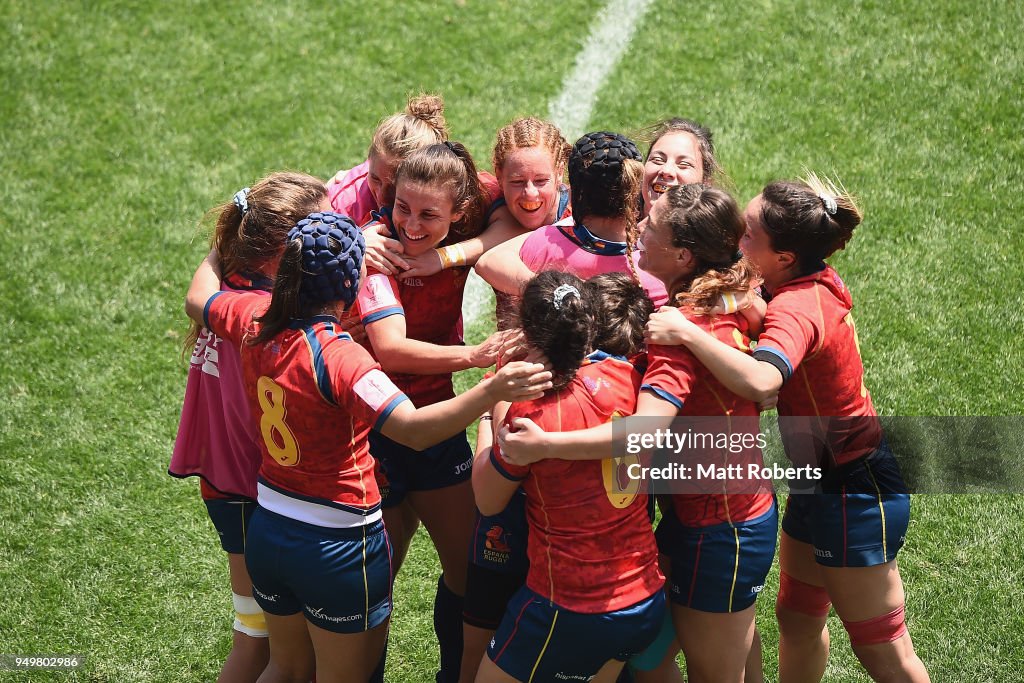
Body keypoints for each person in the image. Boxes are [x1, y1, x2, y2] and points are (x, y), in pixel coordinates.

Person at [184, 211, 551, 683]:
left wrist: (229, 233)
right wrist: (490, 391)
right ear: (352, 280)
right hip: (337, 545)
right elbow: (415, 429)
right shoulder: (343, 359)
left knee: (285, 668)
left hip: (269, 529)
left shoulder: (251, 317)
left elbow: (198, 297)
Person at [645, 176, 931, 683]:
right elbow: (751, 302)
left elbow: (760, 381)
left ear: (784, 257)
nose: (737, 241)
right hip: (818, 478)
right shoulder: (793, 282)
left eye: (748, 235)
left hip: (854, 490)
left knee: (883, 649)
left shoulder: (798, 308)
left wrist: (686, 330)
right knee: (798, 617)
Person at [498, 185, 778, 683]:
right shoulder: (715, 295)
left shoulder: (679, 332)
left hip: (723, 526)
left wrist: (544, 445)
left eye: (650, 225)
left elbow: (642, 434)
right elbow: (752, 309)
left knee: (716, 673)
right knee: (688, 658)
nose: (638, 229)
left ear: (682, 254)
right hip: (717, 513)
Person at [170, 172, 329, 683]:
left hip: (228, 489)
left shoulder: (225, 289)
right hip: (252, 494)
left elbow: (197, 297)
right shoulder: (266, 313)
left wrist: (220, 253)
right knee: (260, 642)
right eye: (323, 228)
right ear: (280, 253)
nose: (335, 233)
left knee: (261, 636)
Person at [353, 141, 503, 683]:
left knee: (470, 572)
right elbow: (389, 348)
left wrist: (448, 256)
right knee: (375, 582)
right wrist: (476, 356)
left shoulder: (471, 211)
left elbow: (524, 218)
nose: (411, 225)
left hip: (437, 422)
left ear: (458, 212)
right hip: (378, 430)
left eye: (428, 215)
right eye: (402, 208)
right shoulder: (377, 251)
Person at [473, 271, 666, 683]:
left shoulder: (530, 415)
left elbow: (488, 500)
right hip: (644, 595)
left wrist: (494, 405)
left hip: (569, 607)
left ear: (525, 331)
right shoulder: (631, 378)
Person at [474, 131, 667, 306]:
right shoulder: (657, 270)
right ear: (634, 189)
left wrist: (559, 289)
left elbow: (487, 262)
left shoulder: (544, 244)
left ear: (575, 193)